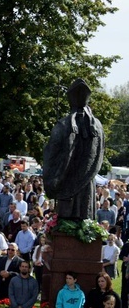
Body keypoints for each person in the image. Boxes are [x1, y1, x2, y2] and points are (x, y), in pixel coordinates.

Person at [43, 78, 104, 221]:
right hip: (87, 183)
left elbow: (52, 153)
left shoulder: (64, 124)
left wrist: (53, 181)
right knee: (84, 217)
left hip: (67, 185)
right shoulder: (98, 126)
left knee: (67, 220)